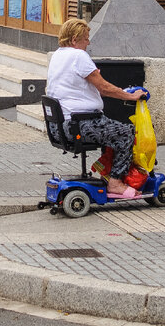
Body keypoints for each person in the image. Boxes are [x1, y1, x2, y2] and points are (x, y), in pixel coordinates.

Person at [46, 18, 147, 198]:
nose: (88, 42)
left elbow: (77, 84)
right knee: (126, 133)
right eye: (86, 38)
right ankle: (115, 183)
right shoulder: (78, 56)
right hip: (79, 123)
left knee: (111, 130)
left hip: (59, 126)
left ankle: (107, 172)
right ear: (75, 40)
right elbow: (104, 88)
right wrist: (131, 96)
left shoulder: (57, 56)